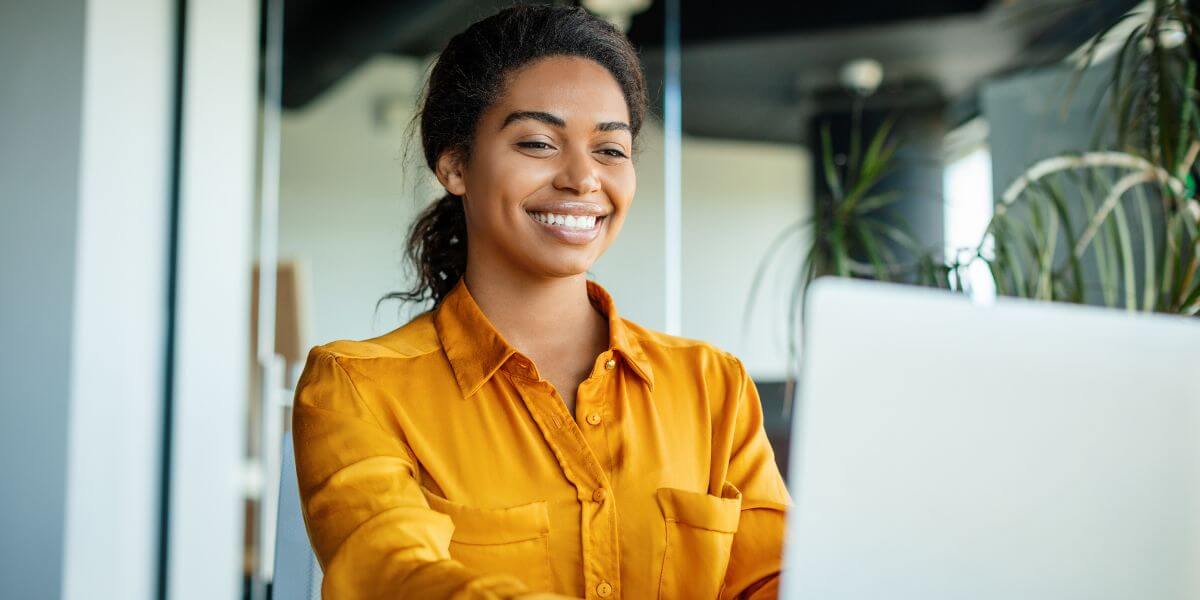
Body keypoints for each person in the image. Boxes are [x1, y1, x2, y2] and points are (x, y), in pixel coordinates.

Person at [291, 5, 791, 599]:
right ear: (454, 164)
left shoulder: (714, 388)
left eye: (610, 149)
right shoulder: (357, 389)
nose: (582, 178)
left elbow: (776, 580)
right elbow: (393, 574)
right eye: (537, 142)